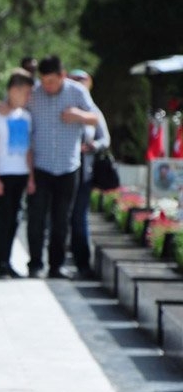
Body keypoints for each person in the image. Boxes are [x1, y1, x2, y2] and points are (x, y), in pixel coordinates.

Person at [26, 55, 100, 279]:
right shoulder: (34, 94)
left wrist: (78, 115)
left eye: (52, 81)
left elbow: (95, 118)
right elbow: (14, 107)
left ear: (62, 75)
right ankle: (35, 264)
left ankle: (56, 265)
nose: (48, 86)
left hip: (68, 166)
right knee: (36, 218)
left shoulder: (77, 92)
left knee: (61, 219)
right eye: (44, 81)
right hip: (40, 165)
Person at [0, 69, 35, 279]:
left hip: (21, 174)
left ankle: (9, 261)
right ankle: (2, 263)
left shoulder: (25, 116)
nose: (28, 97)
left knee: (16, 219)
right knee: (4, 219)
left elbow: (29, 149)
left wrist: (31, 176)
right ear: (13, 90)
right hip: (4, 174)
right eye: (25, 92)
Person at [67, 69, 110, 280]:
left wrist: (92, 145)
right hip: (62, 169)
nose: (78, 85)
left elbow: (105, 139)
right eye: (74, 81)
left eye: (81, 81)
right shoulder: (64, 108)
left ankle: (83, 263)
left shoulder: (93, 111)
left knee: (79, 217)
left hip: (84, 169)